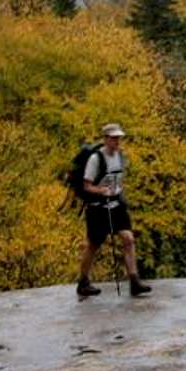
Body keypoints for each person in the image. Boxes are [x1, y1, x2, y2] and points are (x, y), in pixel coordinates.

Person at [76, 123, 152, 297]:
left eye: (119, 137)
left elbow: (118, 179)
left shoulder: (120, 156)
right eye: (114, 137)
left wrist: (118, 192)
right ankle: (83, 281)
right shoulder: (96, 159)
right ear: (106, 138)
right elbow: (86, 186)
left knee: (128, 238)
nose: (117, 141)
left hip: (117, 204)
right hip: (98, 208)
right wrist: (101, 191)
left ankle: (134, 281)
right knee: (94, 245)